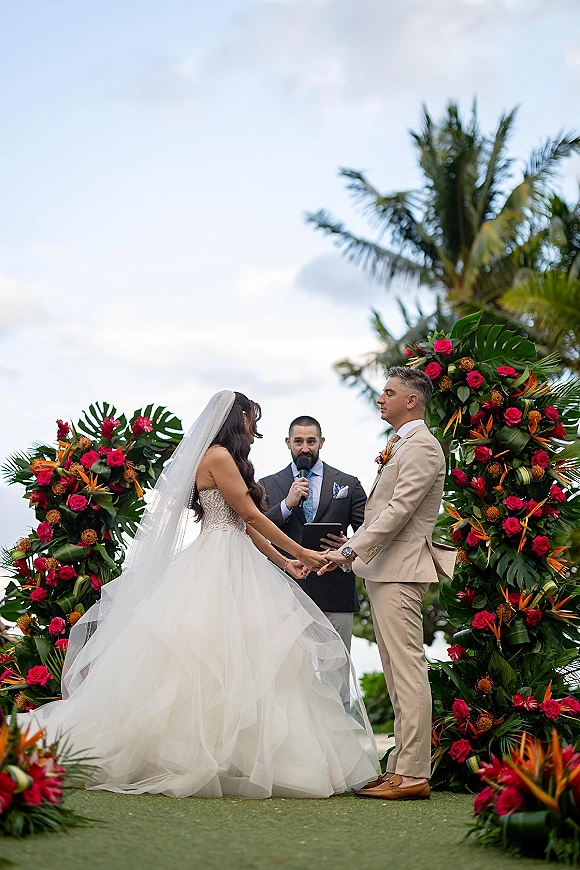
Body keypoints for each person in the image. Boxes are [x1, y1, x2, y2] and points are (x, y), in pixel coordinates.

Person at [27, 391, 378, 799]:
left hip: (239, 557)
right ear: (238, 418)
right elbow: (249, 515)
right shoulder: (217, 457)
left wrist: (285, 564)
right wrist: (301, 552)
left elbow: (246, 525)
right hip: (217, 562)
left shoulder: (229, 459)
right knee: (208, 657)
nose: (255, 427)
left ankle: (236, 756)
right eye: (252, 418)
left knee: (252, 659)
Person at [320, 367, 456, 801]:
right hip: (384, 569)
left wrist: (348, 550)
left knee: (408, 671)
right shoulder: (400, 443)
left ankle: (414, 773)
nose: (381, 398)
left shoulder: (423, 447)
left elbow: (397, 511)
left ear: (412, 400)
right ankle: (399, 767)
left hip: (400, 569)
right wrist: (354, 550)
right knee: (397, 674)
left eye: (389, 392)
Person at [260, 416, 366, 663]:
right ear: (287, 442)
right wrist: (286, 504)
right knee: (290, 674)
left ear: (322, 442)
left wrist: (349, 546)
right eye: (298, 441)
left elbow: (369, 531)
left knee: (337, 673)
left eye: (311, 441)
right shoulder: (267, 485)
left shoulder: (348, 483)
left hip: (335, 593)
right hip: (285, 594)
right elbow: (257, 529)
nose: (305, 448)